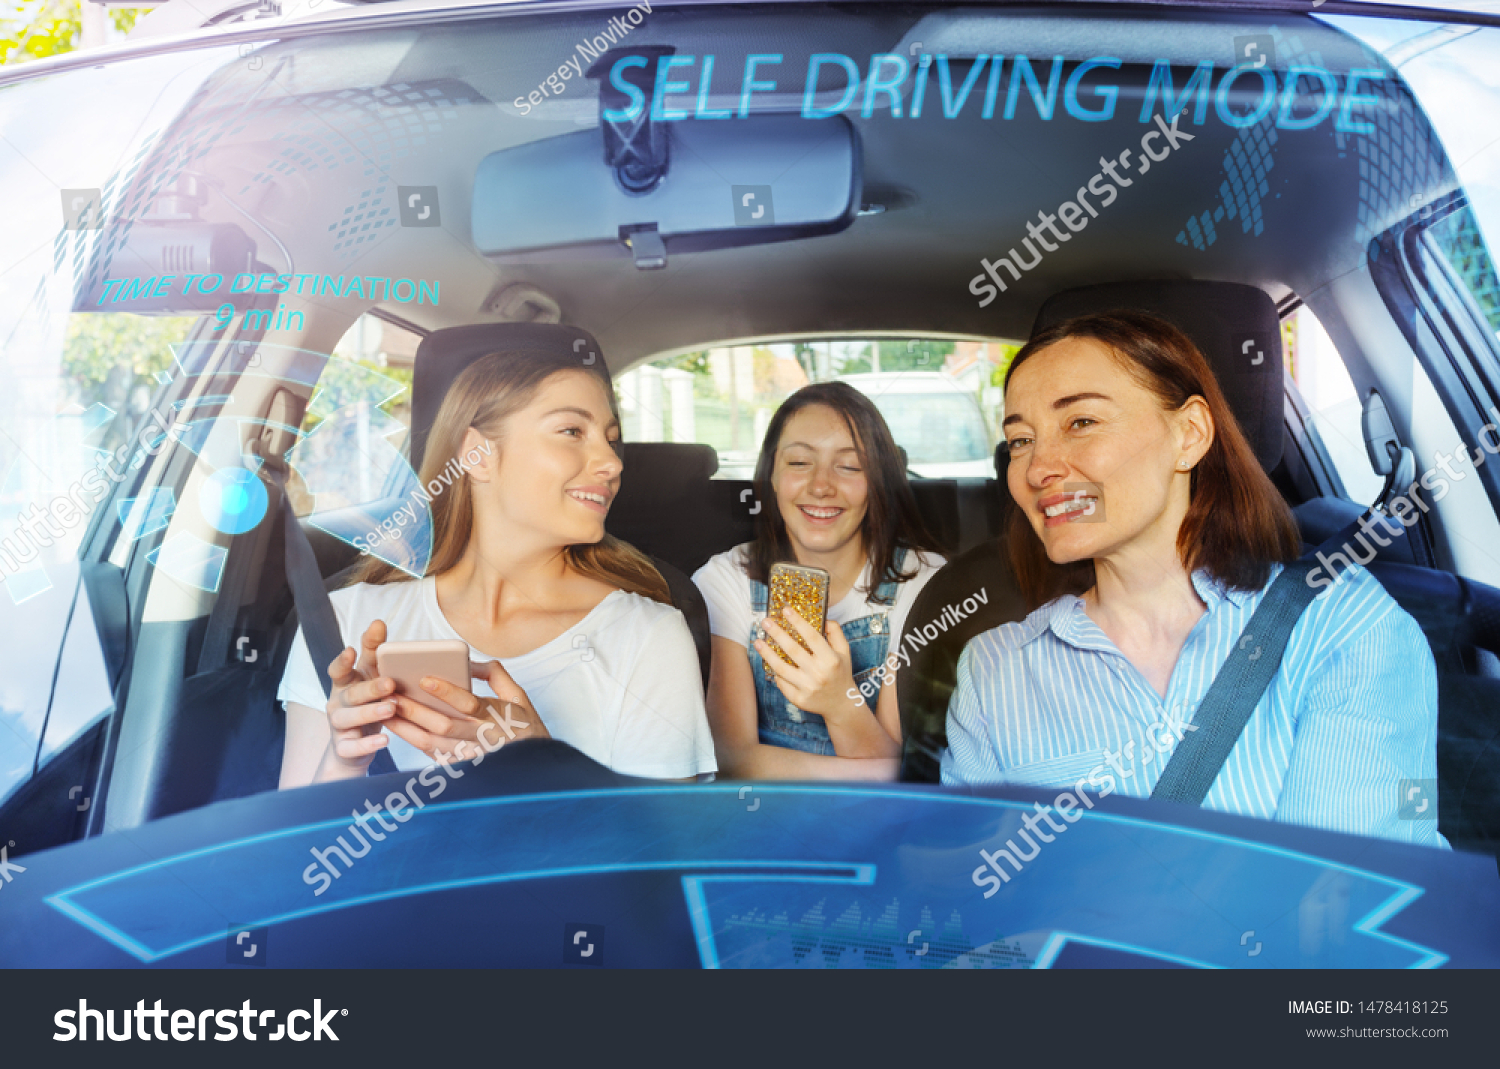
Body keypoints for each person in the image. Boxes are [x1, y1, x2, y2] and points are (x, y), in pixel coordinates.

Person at [942, 310, 1445, 846]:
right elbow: (977, 898)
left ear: (1189, 435)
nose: (1038, 468)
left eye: (1081, 422)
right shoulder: (993, 669)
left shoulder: (1339, 627)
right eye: (1019, 441)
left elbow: (1333, 901)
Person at [278, 339, 716, 787]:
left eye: (611, 440)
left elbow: (660, 853)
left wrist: (540, 764)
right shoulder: (345, 620)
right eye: (571, 431)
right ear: (477, 453)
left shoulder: (648, 636)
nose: (611, 463)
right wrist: (344, 761)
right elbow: (293, 853)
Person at [693, 382, 945, 779]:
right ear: (772, 474)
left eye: (849, 466)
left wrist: (840, 703)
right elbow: (731, 758)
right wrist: (876, 769)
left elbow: (898, 781)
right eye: (798, 463)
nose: (821, 486)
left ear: (877, 480)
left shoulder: (926, 584)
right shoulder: (726, 580)